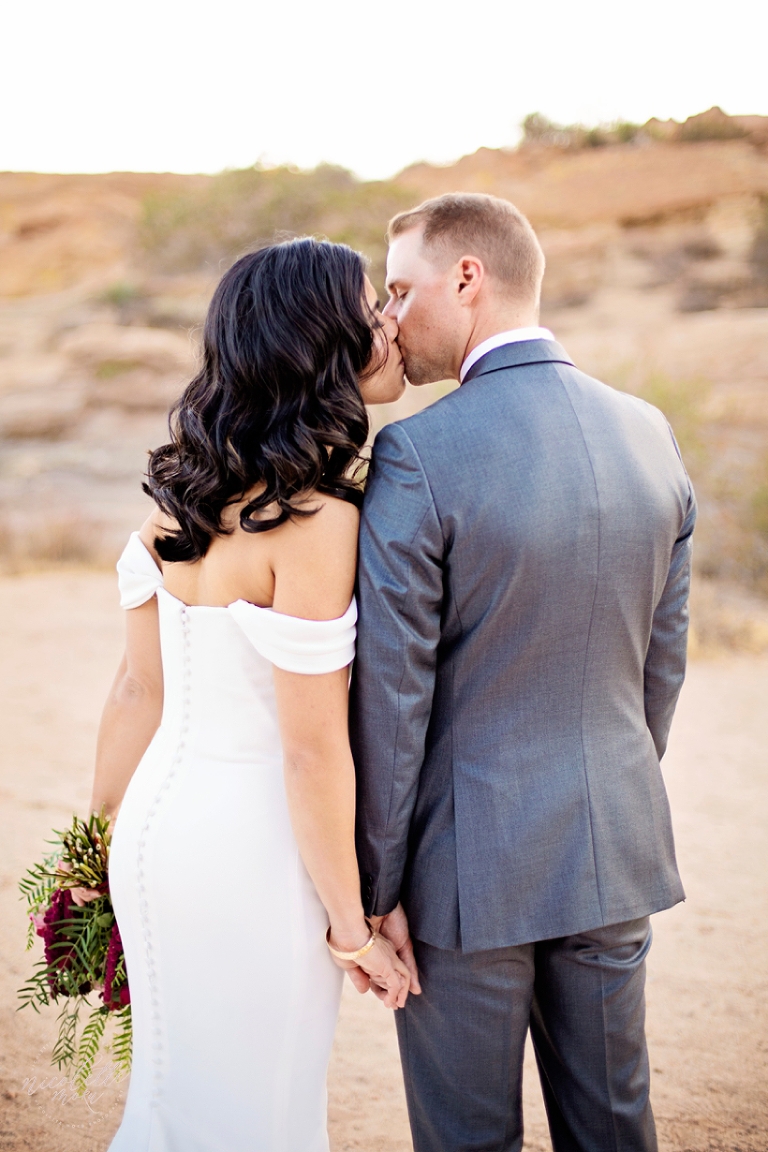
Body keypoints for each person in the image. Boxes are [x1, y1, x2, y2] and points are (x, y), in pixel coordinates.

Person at [351, 192, 696, 1152]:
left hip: (467, 876)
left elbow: (395, 695)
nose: (390, 317)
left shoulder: (418, 453)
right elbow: (658, 671)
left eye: (402, 288)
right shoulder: (650, 433)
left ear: (469, 278)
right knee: (617, 1129)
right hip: (610, 846)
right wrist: (606, 788)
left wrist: (378, 889)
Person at [90, 238, 417, 1152]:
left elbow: (133, 692)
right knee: (259, 1116)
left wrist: (96, 847)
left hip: (155, 837)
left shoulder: (171, 507)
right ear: (322, 341)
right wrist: (353, 932)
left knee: (170, 1100)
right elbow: (312, 749)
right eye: (370, 308)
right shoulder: (318, 521)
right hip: (254, 859)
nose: (389, 324)